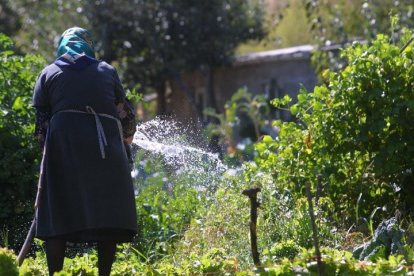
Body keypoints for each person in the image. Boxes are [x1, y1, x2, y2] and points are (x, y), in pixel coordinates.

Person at [32, 27, 137, 276]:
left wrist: (49, 158)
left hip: (63, 153)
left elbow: (40, 128)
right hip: (106, 155)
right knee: (106, 214)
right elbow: (127, 118)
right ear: (89, 47)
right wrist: (125, 150)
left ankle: (54, 273)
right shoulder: (106, 71)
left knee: (58, 212)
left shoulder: (48, 73)